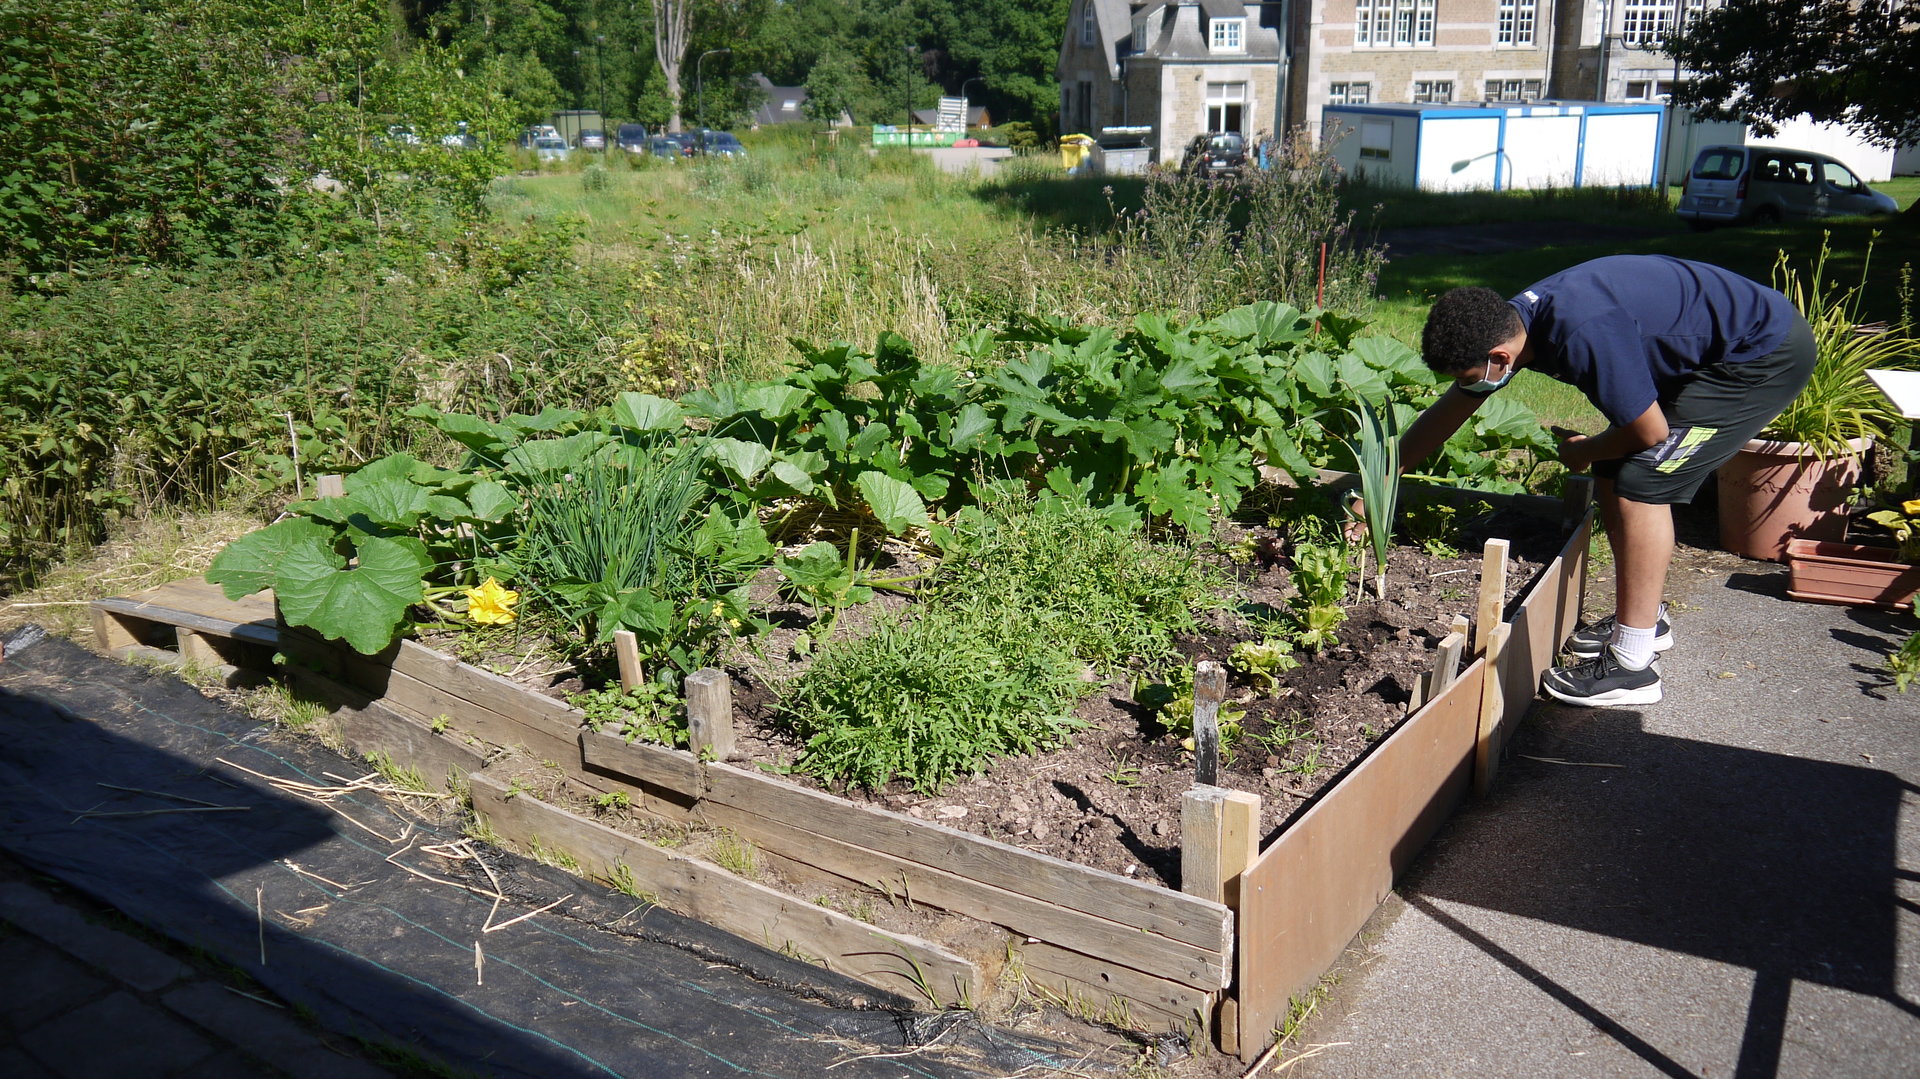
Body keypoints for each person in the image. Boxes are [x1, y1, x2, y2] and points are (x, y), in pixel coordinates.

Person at [1392, 255, 1815, 707]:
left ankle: (1633, 667)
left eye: (1470, 377)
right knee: (1616, 468)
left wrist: (1582, 450)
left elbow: (1649, 433)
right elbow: (1453, 408)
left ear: (1499, 358)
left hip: (1760, 355)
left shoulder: (1580, 331)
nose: (1470, 387)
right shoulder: (1513, 324)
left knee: (1643, 479)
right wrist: (1380, 483)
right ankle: (1644, 620)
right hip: (1711, 347)